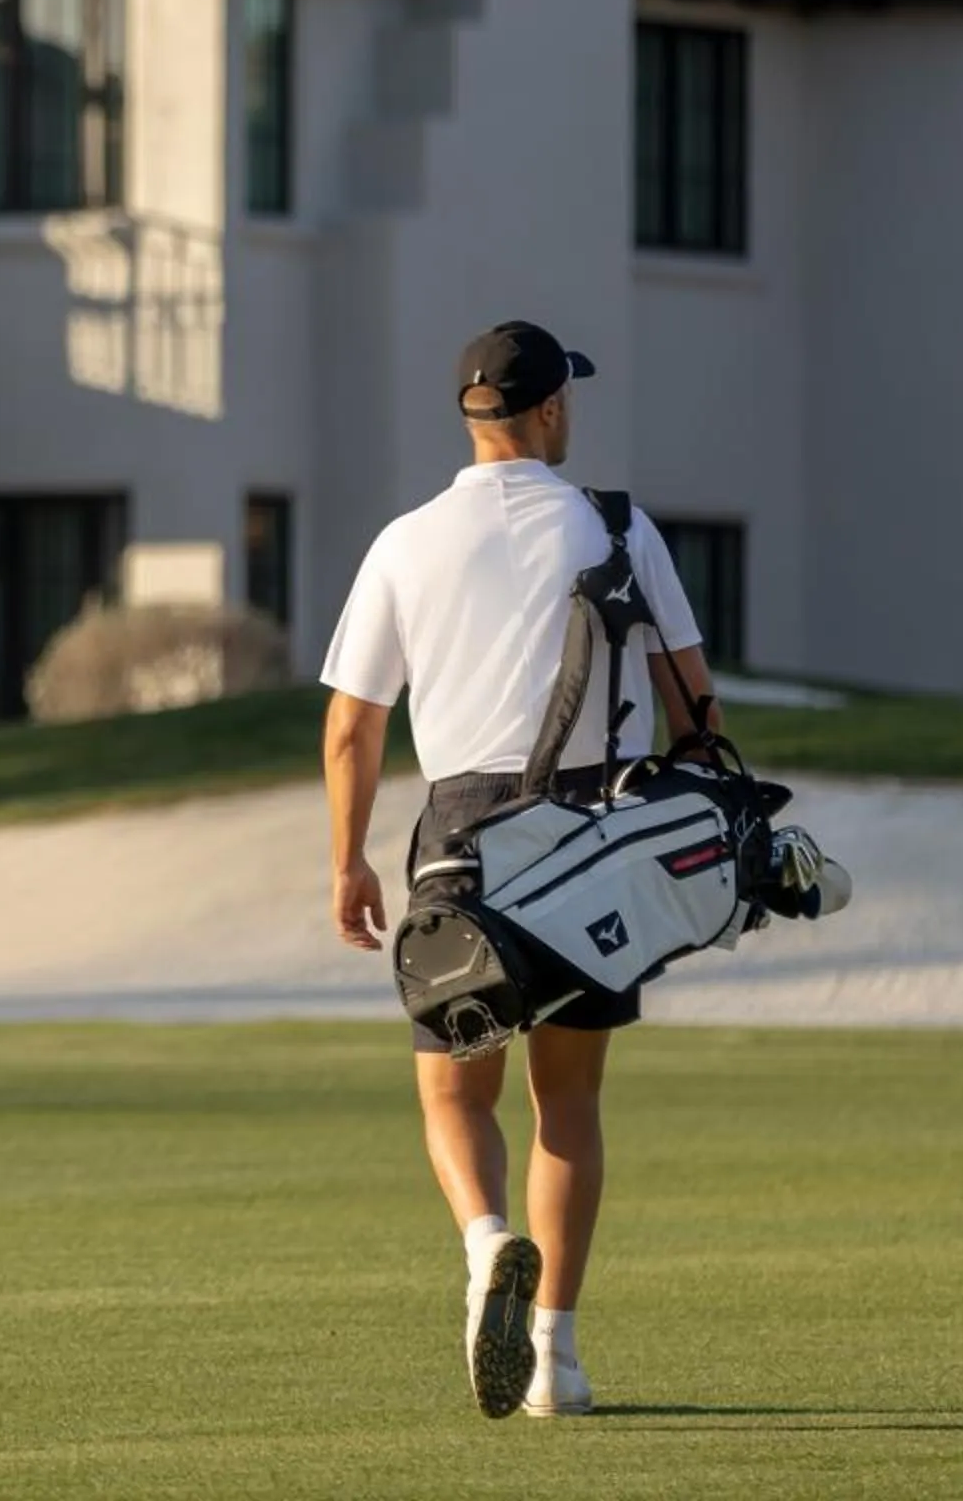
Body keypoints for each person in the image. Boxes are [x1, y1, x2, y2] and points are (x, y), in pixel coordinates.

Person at [317, 321, 722, 1423]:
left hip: (461, 830)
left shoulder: (404, 540)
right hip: (591, 829)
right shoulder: (619, 527)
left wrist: (348, 857)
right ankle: (558, 1361)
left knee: (454, 1089)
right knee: (570, 1100)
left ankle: (489, 1240)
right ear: (549, 412)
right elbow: (696, 700)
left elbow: (352, 725)